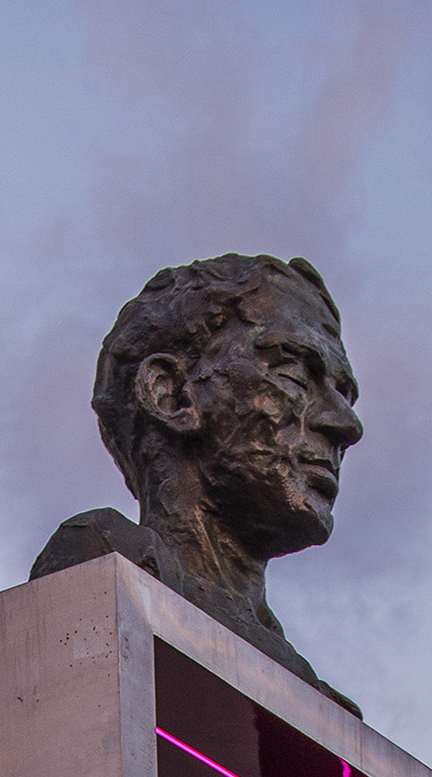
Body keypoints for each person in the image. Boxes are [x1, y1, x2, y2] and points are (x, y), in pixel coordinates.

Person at [31, 252, 364, 710]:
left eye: (344, 394)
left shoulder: (317, 702)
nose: (346, 424)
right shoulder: (100, 561)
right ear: (169, 394)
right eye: (292, 372)